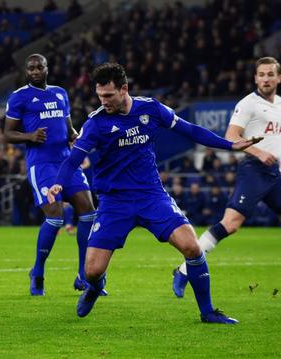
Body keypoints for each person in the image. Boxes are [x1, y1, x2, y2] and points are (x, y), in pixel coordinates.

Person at [47, 62, 261, 323]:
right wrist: (58, 183)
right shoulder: (96, 124)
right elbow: (73, 159)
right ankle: (93, 286)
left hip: (152, 196)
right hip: (115, 202)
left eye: (108, 95)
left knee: (192, 247)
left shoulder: (151, 109)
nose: (103, 101)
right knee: (91, 270)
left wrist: (230, 145)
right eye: (99, 95)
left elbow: (190, 130)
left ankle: (207, 312)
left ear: (124, 88)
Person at [172, 56, 281, 298]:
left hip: (276, 174)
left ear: (278, 78)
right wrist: (258, 152)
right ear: (255, 78)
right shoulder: (248, 104)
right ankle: (183, 271)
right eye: (261, 74)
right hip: (254, 170)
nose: (266, 79)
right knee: (230, 225)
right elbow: (232, 134)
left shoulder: (280, 105)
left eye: (270, 74)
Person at [4, 53, 97, 296]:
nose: (35, 70)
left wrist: (75, 136)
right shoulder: (19, 97)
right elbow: (8, 133)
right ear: (27, 71)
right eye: (31, 67)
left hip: (66, 161)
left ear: (47, 68)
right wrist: (29, 136)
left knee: (88, 211)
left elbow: (68, 127)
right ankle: (37, 272)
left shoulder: (60, 93)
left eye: (39, 67)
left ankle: (84, 275)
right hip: (41, 164)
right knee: (55, 216)